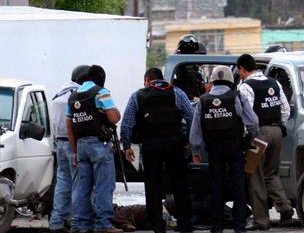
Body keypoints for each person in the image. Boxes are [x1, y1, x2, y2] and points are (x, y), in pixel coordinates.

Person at [121, 68, 195, 233]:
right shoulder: (177, 93)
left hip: (150, 145)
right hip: (174, 144)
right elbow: (191, 115)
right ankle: (185, 224)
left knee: (153, 185)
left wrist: (126, 145)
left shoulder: (138, 96)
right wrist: (188, 140)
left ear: (147, 80)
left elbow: (127, 122)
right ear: (161, 79)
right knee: (179, 183)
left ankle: (157, 225)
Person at [190, 66, 258, 233]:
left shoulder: (203, 100)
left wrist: (195, 151)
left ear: (212, 81)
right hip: (235, 146)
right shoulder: (237, 96)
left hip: (214, 149)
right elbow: (253, 122)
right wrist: (251, 138)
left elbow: (195, 129)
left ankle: (217, 226)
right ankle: (239, 226)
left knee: (216, 186)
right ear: (230, 80)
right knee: (238, 185)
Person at [235, 54, 293, 230]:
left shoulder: (246, 86)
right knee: (271, 173)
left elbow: (248, 116)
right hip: (276, 132)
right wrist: (278, 124)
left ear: (242, 69)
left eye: (240, 72)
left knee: (255, 176)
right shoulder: (273, 83)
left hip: (259, 135)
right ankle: (285, 207)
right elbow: (286, 110)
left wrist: (247, 137)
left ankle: (261, 221)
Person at [67, 65, 122, 233]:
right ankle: (103, 224)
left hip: (81, 145)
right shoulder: (101, 92)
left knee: (82, 187)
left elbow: (69, 127)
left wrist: (75, 151)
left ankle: (79, 224)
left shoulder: (73, 97)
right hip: (100, 145)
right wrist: (115, 112)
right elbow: (113, 118)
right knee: (104, 186)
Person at [49, 65, 90, 233]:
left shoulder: (58, 96)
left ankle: (57, 222)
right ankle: (75, 222)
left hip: (59, 144)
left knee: (62, 184)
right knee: (79, 185)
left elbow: (53, 124)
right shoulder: (79, 97)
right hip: (75, 144)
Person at [173, 34, 206, 101]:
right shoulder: (178, 67)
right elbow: (176, 90)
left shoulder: (196, 68)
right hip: (186, 102)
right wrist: (193, 98)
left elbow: (198, 88)